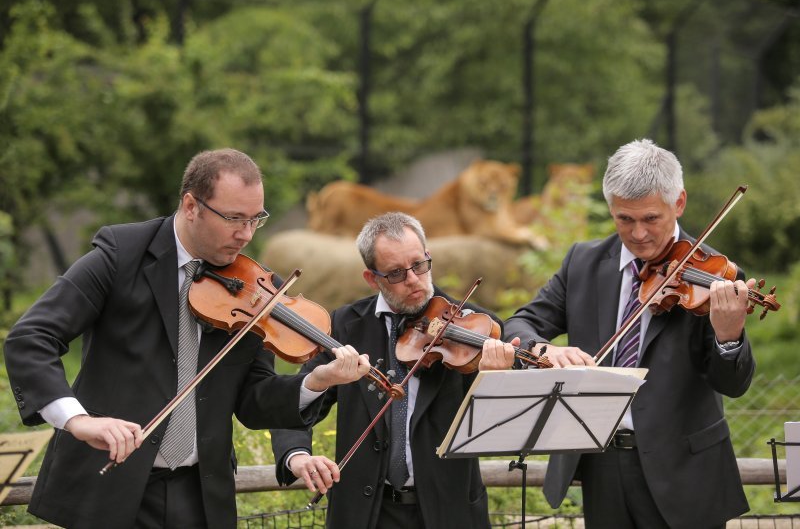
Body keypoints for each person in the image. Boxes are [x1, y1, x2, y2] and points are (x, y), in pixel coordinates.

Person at [3, 148, 371, 529]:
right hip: (110, 487)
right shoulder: (121, 253)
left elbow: (252, 399)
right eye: (233, 218)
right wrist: (77, 420)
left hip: (199, 496)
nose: (245, 235)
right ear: (191, 205)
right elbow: (31, 337)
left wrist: (315, 382)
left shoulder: (257, 289)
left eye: (255, 219)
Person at [504, 138, 756, 529]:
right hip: (601, 465)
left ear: (680, 203)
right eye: (625, 219)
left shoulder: (716, 278)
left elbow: (733, 384)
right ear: (611, 208)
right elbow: (520, 324)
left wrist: (728, 337)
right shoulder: (582, 263)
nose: (638, 234)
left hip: (683, 472)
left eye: (651, 218)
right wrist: (543, 350)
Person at [271, 211, 529, 529]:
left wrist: (495, 379)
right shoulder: (346, 326)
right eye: (395, 273)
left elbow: (501, 426)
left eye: (419, 265)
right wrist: (297, 455)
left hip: (447, 512)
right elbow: (300, 398)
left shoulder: (474, 327)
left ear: (428, 256)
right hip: (366, 515)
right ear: (372, 278)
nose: (413, 280)